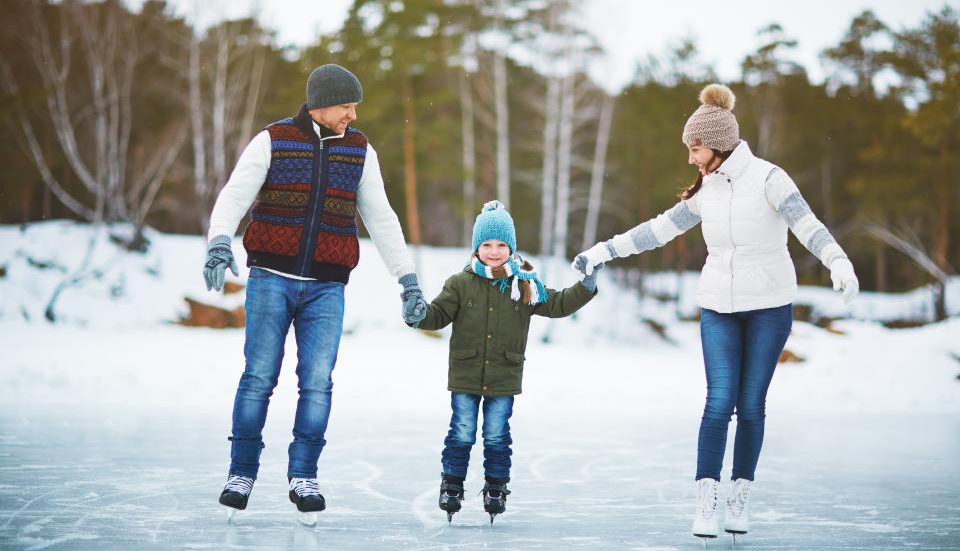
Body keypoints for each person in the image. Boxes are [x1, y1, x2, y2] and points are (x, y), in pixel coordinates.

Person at [573, 84, 859, 540]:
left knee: (751, 405)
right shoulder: (706, 189)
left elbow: (807, 225)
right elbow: (659, 230)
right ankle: (705, 501)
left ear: (719, 144)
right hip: (718, 308)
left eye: (695, 148)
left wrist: (837, 261)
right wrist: (605, 250)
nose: (690, 158)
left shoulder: (769, 179)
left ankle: (739, 496)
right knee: (719, 401)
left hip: (768, 308)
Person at [201, 64, 428, 519]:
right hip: (271, 278)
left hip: (327, 287)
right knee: (258, 378)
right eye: (346, 106)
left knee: (317, 383)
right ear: (321, 104)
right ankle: (241, 473)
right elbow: (234, 195)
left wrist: (407, 279)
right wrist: (219, 241)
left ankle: (304, 475)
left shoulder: (360, 151)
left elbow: (381, 217)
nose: (352, 115)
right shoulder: (274, 140)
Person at [407, 201, 599, 523]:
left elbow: (558, 304)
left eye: (501, 245)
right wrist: (417, 314)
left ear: (511, 248)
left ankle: (496, 486)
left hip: (504, 376)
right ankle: (452, 483)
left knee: (497, 435)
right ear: (476, 248)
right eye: (487, 245)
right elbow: (437, 316)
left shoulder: (524, 284)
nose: (494, 251)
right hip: (466, 373)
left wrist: (586, 286)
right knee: (462, 432)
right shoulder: (460, 283)